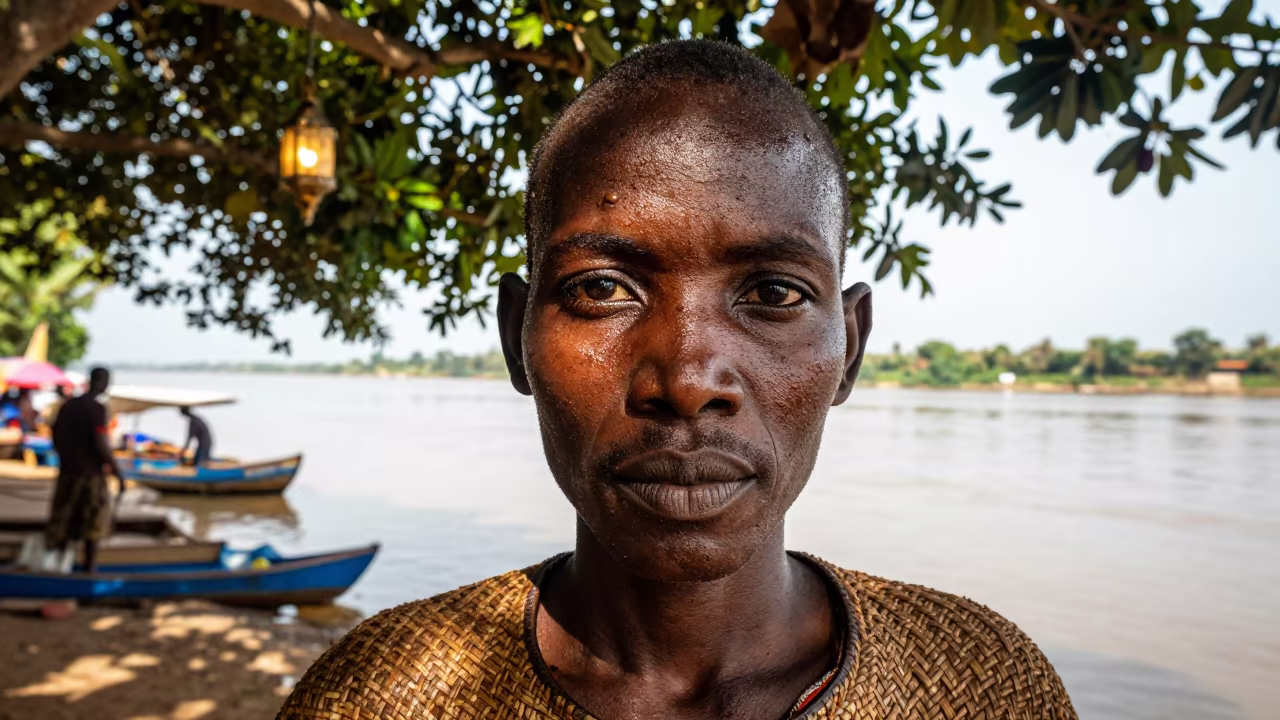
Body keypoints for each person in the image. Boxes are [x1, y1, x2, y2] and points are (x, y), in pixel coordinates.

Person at [279, 41, 1076, 720]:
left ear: (851, 350)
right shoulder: (380, 696)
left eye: (772, 294)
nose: (688, 379)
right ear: (516, 340)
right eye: (601, 288)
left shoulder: (981, 683)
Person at [47, 366, 122, 573]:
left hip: (68, 472)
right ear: (102, 382)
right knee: (93, 524)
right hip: (91, 476)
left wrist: (65, 457)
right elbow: (101, 443)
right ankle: (89, 569)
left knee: (63, 517)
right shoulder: (97, 410)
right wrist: (117, 472)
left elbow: (55, 436)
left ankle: (57, 564)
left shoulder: (68, 406)